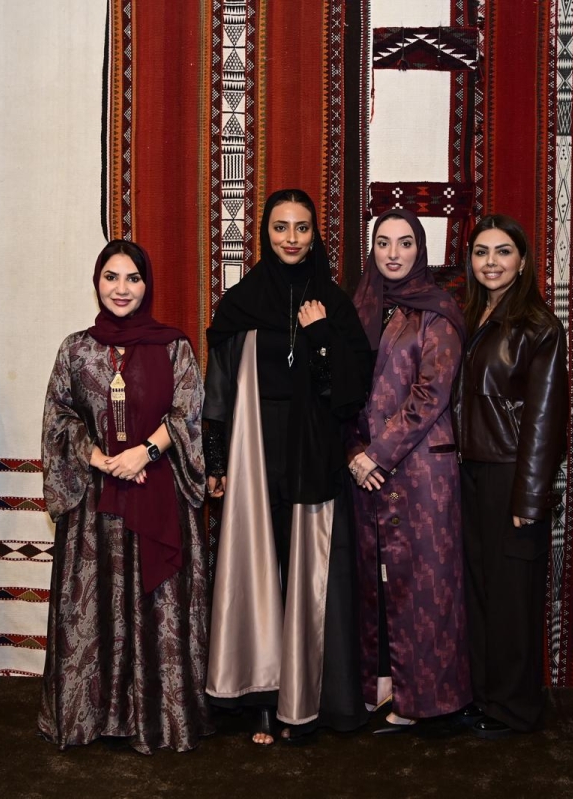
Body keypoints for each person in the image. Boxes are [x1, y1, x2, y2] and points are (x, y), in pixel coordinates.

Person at [203, 189, 372, 745]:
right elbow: (218, 387)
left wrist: (321, 335)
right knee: (258, 566)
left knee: (308, 571)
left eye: (302, 227)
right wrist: (215, 457)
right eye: (281, 227)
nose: (291, 238)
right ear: (265, 233)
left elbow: (349, 394)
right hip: (254, 449)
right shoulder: (241, 303)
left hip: (313, 451)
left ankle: (306, 701)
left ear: (315, 234)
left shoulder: (334, 304)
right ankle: (260, 696)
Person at [37, 239, 212, 754]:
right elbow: (58, 416)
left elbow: (188, 412)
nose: (121, 288)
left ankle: (158, 718)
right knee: (94, 608)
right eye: (111, 277)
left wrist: (144, 453)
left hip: (157, 496)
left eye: (133, 278)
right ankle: (91, 716)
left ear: (146, 284)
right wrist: (96, 456)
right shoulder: (75, 349)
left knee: (158, 607)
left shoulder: (174, 347)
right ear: (97, 282)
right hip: (95, 506)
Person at [347, 208, 470, 733]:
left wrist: (376, 452)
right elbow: (344, 389)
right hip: (364, 468)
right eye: (383, 242)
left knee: (426, 585)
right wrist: (354, 451)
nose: (393, 253)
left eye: (404, 242)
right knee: (372, 583)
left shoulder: (438, 311)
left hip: (421, 473)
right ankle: (381, 686)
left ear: (421, 249)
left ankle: (428, 700)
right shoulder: (359, 306)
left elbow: (431, 392)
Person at [453, 214, 567, 740]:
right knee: (478, 591)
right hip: (470, 470)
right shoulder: (472, 315)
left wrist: (530, 496)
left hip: (510, 475)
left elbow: (546, 418)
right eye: (481, 252)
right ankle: (485, 697)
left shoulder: (539, 326)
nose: (491, 262)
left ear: (522, 262)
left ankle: (515, 708)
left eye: (503, 252)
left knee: (513, 597)